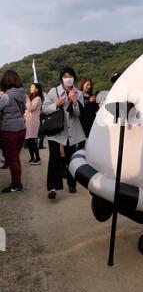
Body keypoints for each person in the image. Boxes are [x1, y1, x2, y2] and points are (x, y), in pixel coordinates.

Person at [42, 67, 85, 200]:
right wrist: (56, 104)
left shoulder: (78, 93)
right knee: (54, 158)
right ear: (61, 78)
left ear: (74, 78)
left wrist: (74, 101)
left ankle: (71, 184)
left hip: (72, 132)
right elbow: (44, 108)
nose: (68, 78)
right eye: (65, 76)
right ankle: (52, 188)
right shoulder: (54, 91)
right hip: (57, 130)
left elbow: (78, 114)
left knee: (70, 158)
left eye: (70, 75)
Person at [0, 70, 26, 193]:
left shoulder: (6, 96)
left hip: (9, 130)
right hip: (21, 128)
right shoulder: (22, 93)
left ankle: (16, 184)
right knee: (16, 157)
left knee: (12, 159)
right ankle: (17, 182)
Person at [25, 83, 43, 165]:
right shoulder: (31, 98)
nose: (30, 88)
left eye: (32, 87)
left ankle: (38, 158)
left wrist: (27, 100)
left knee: (32, 140)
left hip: (33, 122)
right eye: (30, 87)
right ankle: (32, 157)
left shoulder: (38, 98)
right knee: (28, 140)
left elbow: (31, 109)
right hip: (28, 121)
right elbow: (27, 111)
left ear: (37, 89)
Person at [78, 77, 99, 143]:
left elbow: (95, 109)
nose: (89, 86)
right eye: (87, 84)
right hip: (82, 123)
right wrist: (89, 101)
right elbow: (79, 107)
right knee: (82, 143)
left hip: (91, 122)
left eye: (90, 85)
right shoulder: (78, 95)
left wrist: (95, 102)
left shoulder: (91, 95)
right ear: (82, 84)